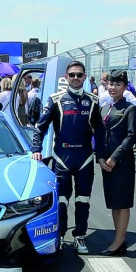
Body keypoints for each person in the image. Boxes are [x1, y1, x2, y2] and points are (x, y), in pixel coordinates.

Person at [31, 60, 105, 254]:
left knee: (83, 200)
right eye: (72, 75)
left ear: (85, 77)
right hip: (61, 157)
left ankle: (80, 236)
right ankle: (61, 234)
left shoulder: (93, 101)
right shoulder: (55, 99)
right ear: (66, 77)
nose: (75, 78)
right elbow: (41, 126)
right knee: (62, 200)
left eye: (79, 75)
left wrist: (102, 156)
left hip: (85, 158)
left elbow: (100, 132)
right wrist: (36, 149)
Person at [97, 70, 136, 256]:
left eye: (118, 85)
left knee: (122, 202)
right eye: (111, 84)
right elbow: (99, 136)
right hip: (106, 163)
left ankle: (119, 240)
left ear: (124, 87)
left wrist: (114, 158)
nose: (113, 88)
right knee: (113, 203)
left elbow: (131, 137)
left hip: (121, 163)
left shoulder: (129, 108)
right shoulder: (105, 108)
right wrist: (100, 158)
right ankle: (119, 237)